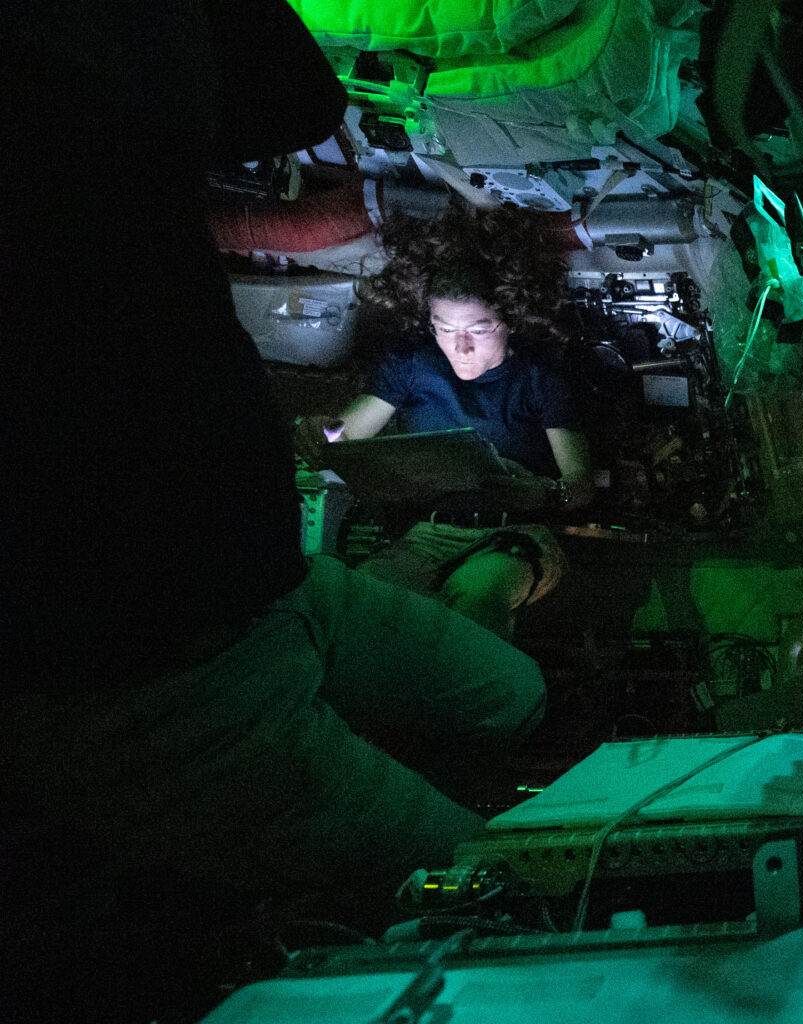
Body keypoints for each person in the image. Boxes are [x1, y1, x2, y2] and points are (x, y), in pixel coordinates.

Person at [1, 0, 544, 897]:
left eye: (478, 329)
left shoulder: (101, 94)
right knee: (491, 901)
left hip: (273, 585)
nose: (462, 345)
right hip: (139, 680)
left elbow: (294, 102)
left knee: (510, 698)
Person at [305, 207, 593, 639]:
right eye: (444, 329)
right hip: (427, 535)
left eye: (478, 330)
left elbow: (581, 482)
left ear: (509, 320)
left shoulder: (541, 376)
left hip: (515, 535)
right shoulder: (412, 364)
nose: (459, 347)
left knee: (475, 594)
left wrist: (545, 491)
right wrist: (321, 433)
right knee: (359, 598)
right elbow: (342, 439)